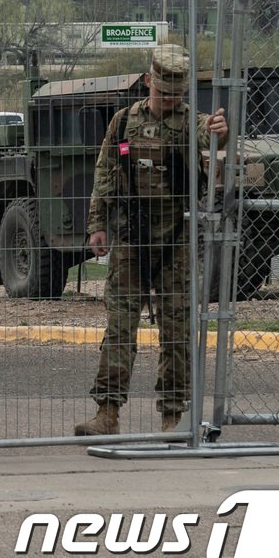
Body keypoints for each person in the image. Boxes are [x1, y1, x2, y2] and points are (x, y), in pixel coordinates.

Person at [74, 44, 228, 436]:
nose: (170, 99)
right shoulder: (124, 121)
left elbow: (215, 150)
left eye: (177, 93)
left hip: (176, 239)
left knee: (176, 330)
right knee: (120, 326)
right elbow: (105, 172)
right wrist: (98, 224)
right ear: (148, 81)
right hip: (132, 236)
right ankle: (107, 412)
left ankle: (173, 416)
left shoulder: (195, 123)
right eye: (164, 92)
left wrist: (219, 138)